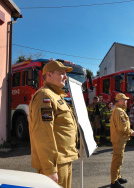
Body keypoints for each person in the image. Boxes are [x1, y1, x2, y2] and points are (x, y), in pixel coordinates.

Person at [28, 60, 79, 188]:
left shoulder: (57, 95)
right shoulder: (44, 96)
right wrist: (50, 168)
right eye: (61, 73)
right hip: (56, 164)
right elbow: (43, 134)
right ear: (49, 75)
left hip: (64, 159)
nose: (65, 77)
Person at [110, 93, 134, 188]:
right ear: (120, 100)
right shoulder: (118, 111)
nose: (126, 101)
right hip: (119, 138)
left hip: (120, 138)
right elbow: (122, 128)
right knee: (117, 160)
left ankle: (118, 177)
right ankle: (114, 182)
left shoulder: (119, 110)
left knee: (119, 159)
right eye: (124, 100)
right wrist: (131, 132)